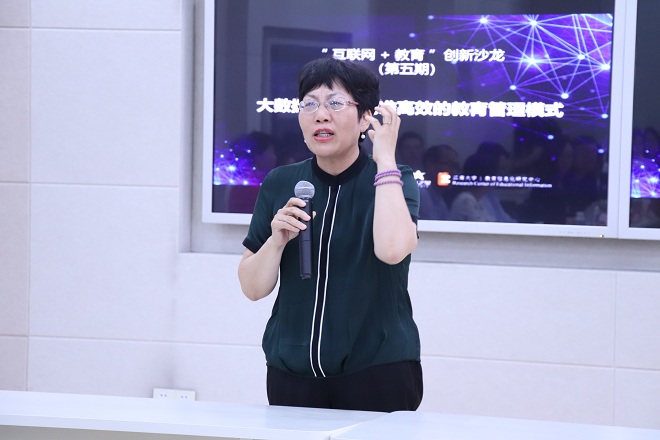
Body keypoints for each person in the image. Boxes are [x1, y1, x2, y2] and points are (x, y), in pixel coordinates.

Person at [237, 57, 423, 412]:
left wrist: (385, 160)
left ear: (365, 117)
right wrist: (276, 241)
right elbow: (253, 288)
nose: (320, 115)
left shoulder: (395, 179)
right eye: (309, 104)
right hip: (291, 373)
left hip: (378, 372)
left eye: (335, 103)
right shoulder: (280, 182)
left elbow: (392, 250)